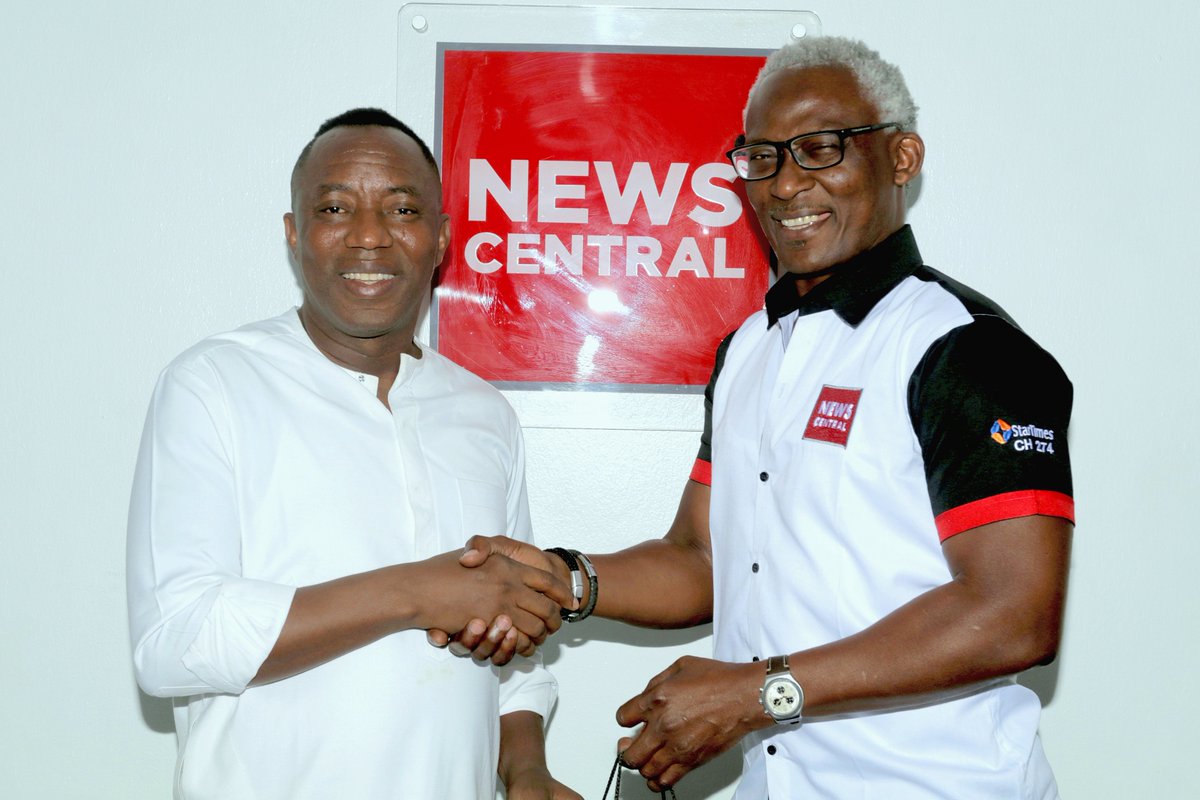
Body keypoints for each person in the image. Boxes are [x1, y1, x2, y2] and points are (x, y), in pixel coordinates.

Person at [445, 37, 1075, 798]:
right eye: (764, 158)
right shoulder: (748, 349)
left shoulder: (965, 349)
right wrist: (569, 580)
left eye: (820, 149)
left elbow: (1013, 615)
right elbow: (704, 560)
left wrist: (756, 692)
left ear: (902, 157)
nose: (785, 185)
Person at [126, 108, 581, 800]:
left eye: (402, 209)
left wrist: (525, 770)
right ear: (294, 234)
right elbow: (173, 642)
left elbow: (510, 645)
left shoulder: (485, 414)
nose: (369, 236)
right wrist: (414, 591)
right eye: (335, 207)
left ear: (441, 240)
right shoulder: (214, 383)